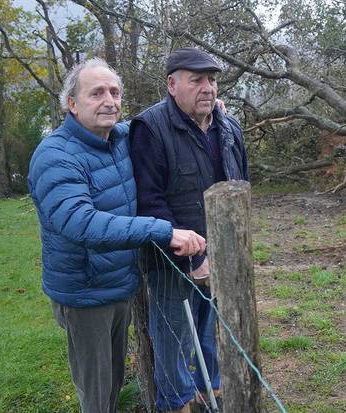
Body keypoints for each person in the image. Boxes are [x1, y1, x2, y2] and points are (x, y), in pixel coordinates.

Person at [28, 58, 207, 413]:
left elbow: (158, 122)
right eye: (96, 93)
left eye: (114, 92)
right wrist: (163, 232)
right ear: (72, 104)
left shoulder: (119, 138)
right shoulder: (55, 156)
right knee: (97, 394)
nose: (108, 100)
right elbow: (82, 223)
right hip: (84, 295)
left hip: (118, 286)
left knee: (113, 383)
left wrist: (202, 105)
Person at [130, 47, 249, 413]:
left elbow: (239, 184)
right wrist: (193, 255)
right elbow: (149, 201)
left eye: (212, 80)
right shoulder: (150, 128)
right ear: (172, 84)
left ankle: (210, 392)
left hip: (219, 255)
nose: (207, 88)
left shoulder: (228, 126)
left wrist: (224, 250)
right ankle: (177, 403)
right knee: (174, 338)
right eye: (196, 80)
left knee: (211, 331)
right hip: (172, 259)